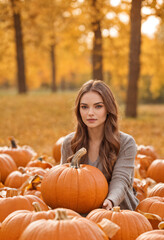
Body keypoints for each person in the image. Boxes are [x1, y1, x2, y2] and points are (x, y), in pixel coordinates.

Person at [60, 80, 139, 211]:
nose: (90, 113)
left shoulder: (126, 143)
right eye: (84, 107)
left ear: (108, 109)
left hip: (118, 212)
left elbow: (121, 179)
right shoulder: (69, 142)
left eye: (98, 106)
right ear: (78, 110)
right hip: (81, 213)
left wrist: (110, 200)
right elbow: (63, 181)